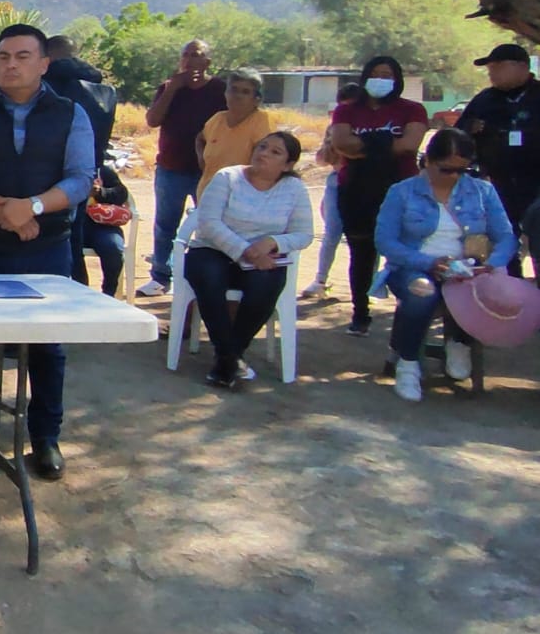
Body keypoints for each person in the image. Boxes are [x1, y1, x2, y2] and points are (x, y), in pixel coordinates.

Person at [0, 23, 95, 482]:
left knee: (47, 346)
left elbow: (80, 178)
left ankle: (46, 438)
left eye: (23, 56)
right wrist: (5, 210)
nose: (11, 65)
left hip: (47, 248)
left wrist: (31, 207)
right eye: (4, 56)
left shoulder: (71, 113)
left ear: (44, 63)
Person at [376, 128, 516, 401]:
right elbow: (385, 241)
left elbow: (506, 237)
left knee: (476, 290)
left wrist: (491, 264)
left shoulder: (482, 191)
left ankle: (459, 342)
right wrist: (428, 262)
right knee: (421, 292)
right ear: (428, 161)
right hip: (415, 267)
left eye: (462, 170)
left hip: (468, 268)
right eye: (446, 169)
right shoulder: (402, 192)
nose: (454, 176)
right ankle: (408, 364)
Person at [182, 132, 314, 389]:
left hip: (263, 257)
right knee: (209, 279)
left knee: (264, 286)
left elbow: (304, 234)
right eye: (262, 147)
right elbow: (209, 223)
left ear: (288, 165)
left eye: (275, 152)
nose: (263, 153)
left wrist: (272, 242)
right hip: (213, 250)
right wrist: (246, 250)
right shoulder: (227, 177)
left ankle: (226, 359)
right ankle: (230, 358)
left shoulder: (294, 188)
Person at [331, 56, 429, 337]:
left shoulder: (412, 109)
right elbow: (342, 143)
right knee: (361, 253)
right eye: (375, 74)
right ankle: (360, 313)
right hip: (356, 191)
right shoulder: (346, 110)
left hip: (401, 190)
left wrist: (364, 145)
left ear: (397, 80)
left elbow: (409, 145)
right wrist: (386, 143)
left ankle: (409, 312)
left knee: (407, 252)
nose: (381, 79)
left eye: (387, 75)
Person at [137, 39, 226, 297]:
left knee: (210, 223)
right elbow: (153, 120)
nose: (189, 60)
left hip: (207, 169)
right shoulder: (168, 88)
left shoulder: (219, 89)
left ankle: (205, 278)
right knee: (165, 225)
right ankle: (160, 277)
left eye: (195, 55)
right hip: (171, 167)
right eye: (185, 55)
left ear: (207, 62)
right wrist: (172, 89)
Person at [456, 43, 540, 277]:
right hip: (499, 183)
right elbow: (457, 135)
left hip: (536, 183)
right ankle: (511, 285)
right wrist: (470, 128)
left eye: (498, 67)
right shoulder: (485, 100)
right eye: (490, 68)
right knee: (504, 240)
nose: (492, 73)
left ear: (522, 67)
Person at [44, 34, 118, 288]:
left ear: (48, 55)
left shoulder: (49, 83)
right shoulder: (100, 88)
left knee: (52, 243)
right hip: (86, 172)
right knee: (74, 240)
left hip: (48, 172)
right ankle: (80, 291)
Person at [302, 84, 364, 299]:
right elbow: (322, 159)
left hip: (364, 184)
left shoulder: (368, 127)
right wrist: (331, 146)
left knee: (365, 238)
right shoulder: (335, 128)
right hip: (337, 183)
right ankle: (320, 280)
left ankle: (366, 286)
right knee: (331, 233)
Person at [194, 68, 276, 198]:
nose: (238, 96)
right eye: (233, 90)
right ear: (226, 94)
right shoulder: (217, 119)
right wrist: (201, 158)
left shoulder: (261, 121)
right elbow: (200, 138)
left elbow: (266, 162)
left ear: (256, 99)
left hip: (240, 199)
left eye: (245, 92)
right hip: (207, 195)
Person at [79, 163, 131, 297]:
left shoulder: (102, 170)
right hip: (73, 225)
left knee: (112, 247)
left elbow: (121, 194)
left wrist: (100, 192)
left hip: (103, 226)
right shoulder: (60, 168)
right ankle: (81, 293)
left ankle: (108, 294)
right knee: (71, 249)